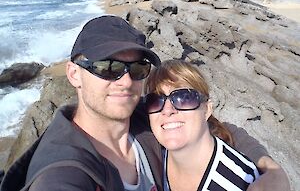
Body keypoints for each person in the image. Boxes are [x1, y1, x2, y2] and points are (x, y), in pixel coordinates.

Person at [0, 15, 290, 191]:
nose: (125, 81)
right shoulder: (62, 172)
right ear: (74, 73)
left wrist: (273, 171)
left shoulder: (145, 114)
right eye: (107, 67)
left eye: (137, 69)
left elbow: (213, 125)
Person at [144, 59, 290, 191]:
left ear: (207, 110)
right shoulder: (153, 152)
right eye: (155, 100)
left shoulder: (242, 183)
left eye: (184, 97)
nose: (167, 110)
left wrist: (273, 169)